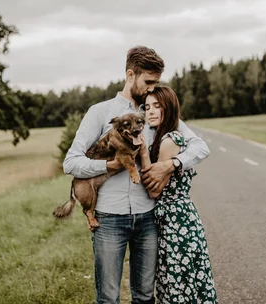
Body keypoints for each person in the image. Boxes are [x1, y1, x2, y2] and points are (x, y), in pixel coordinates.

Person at [63, 46, 210, 304]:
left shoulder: (153, 112)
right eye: (148, 82)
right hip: (109, 220)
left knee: (144, 296)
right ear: (131, 75)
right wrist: (109, 167)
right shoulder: (99, 112)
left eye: (157, 82)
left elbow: (199, 146)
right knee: (108, 298)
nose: (152, 88)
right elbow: (71, 163)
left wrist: (172, 163)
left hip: (148, 219)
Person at [140, 86, 218, 304]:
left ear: (169, 108)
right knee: (181, 283)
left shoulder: (169, 141)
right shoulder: (164, 136)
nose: (151, 112)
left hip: (176, 223)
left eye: (157, 106)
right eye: (147, 107)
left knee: (178, 285)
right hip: (177, 219)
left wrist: (143, 154)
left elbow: (155, 190)